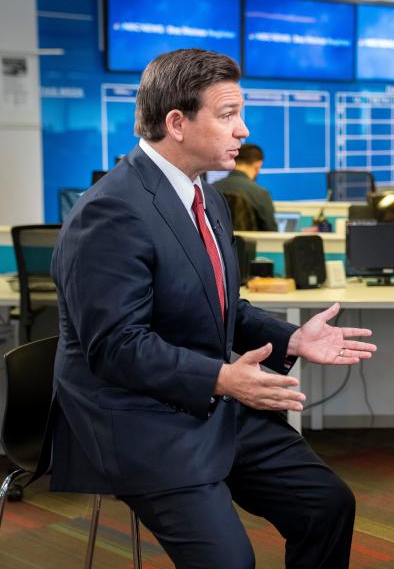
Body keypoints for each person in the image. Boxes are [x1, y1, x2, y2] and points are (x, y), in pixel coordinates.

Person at [50, 48, 377, 569]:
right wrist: (223, 379)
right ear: (177, 123)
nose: (243, 130)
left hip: (208, 402)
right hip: (142, 418)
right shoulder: (112, 211)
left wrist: (291, 339)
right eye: (228, 115)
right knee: (230, 562)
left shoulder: (205, 195)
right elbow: (115, 347)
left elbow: (221, 306)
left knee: (327, 504)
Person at [213, 142, 279, 231]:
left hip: (218, 244)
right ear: (258, 165)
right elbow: (271, 231)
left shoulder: (211, 189)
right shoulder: (260, 193)